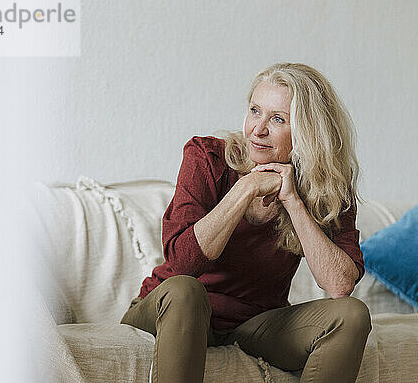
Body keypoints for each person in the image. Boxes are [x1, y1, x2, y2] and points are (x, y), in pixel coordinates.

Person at [121, 62, 371, 383]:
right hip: (174, 312)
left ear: (309, 132)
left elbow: (340, 285)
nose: (258, 129)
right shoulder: (208, 158)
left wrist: (292, 200)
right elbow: (182, 264)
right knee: (186, 291)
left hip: (255, 324)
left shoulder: (327, 187)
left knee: (351, 314)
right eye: (255, 111)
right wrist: (246, 188)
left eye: (278, 119)